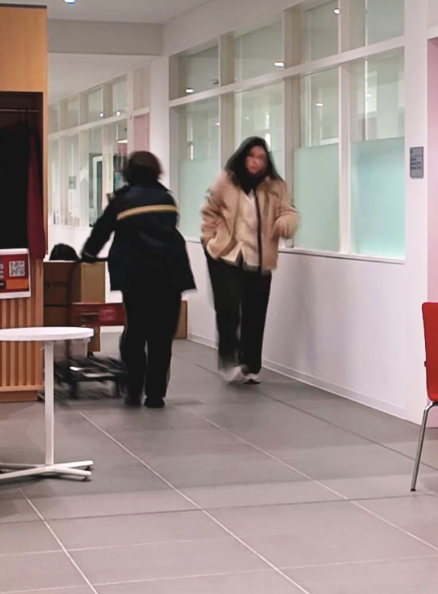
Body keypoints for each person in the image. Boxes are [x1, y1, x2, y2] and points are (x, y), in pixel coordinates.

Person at [82, 151, 197, 408]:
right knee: (161, 337)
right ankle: (156, 394)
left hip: (137, 276)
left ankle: (133, 390)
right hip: (170, 275)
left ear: (128, 173)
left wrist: (87, 255)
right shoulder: (167, 199)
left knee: (135, 332)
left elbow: (101, 230)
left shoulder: (121, 200)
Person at [199, 136, 299, 385]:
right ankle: (228, 358)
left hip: (259, 258)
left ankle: (250, 366)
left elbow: (289, 211)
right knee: (229, 309)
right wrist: (208, 239)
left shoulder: (276, 186)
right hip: (225, 254)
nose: (256, 162)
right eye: (251, 156)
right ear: (243, 157)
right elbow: (209, 210)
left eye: (261, 158)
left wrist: (284, 224)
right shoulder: (226, 180)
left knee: (255, 313)